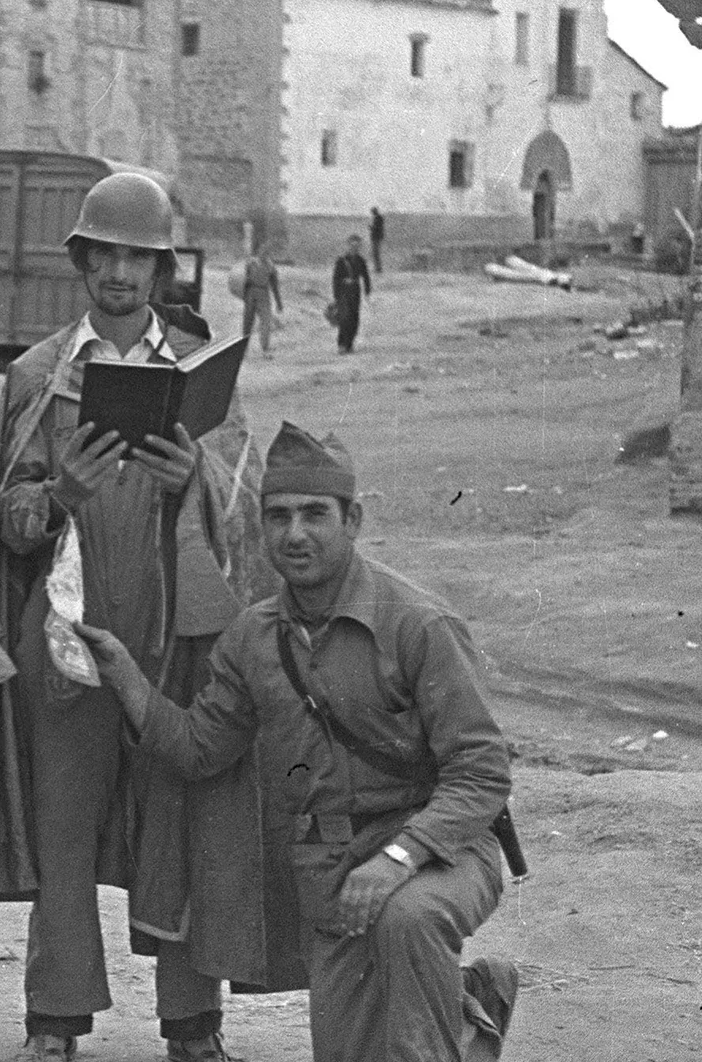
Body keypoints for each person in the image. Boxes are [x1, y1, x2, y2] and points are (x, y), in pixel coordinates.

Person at [0, 172, 298, 1062]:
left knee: (183, 815)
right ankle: (55, 1017)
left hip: (178, 633)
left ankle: (192, 1021)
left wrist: (196, 481)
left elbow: (248, 506)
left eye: (135, 257)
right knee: (62, 822)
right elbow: (4, 522)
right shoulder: (37, 375)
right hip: (64, 633)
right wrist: (58, 494)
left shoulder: (199, 372)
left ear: (159, 268)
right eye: (102, 253)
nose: (117, 271)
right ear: (81, 261)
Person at [75, 423, 521, 1062]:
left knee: (408, 920)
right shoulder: (253, 636)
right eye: (278, 516)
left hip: (438, 850)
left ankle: (440, 1023)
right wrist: (126, 678)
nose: (295, 534)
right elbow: (201, 748)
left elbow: (482, 770)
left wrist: (398, 857)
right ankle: (469, 1008)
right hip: (329, 863)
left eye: (315, 514)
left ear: (353, 520)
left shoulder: (418, 623)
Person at [239, 241, 283, 358]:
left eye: (267, 251)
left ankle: (265, 349)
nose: (264, 253)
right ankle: (242, 349)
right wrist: (243, 294)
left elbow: (274, 285)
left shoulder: (270, 266)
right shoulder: (250, 263)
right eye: (262, 250)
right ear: (258, 251)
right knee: (248, 322)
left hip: (264, 293)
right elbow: (240, 280)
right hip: (250, 293)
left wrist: (279, 302)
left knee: (266, 321)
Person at [332, 235, 371, 355]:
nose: (354, 248)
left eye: (357, 246)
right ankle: (342, 344)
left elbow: (366, 276)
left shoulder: (361, 261)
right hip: (344, 292)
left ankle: (350, 344)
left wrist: (367, 291)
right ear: (348, 246)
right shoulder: (341, 261)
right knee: (344, 318)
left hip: (355, 291)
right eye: (352, 245)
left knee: (354, 318)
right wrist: (336, 295)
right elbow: (335, 279)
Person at [368, 207, 385, 272]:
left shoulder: (377, 218)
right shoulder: (378, 218)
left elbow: (376, 228)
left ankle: (378, 268)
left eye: (372, 212)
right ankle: (377, 267)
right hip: (377, 237)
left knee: (375, 253)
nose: (372, 214)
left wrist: (371, 227)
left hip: (376, 238)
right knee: (376, 253)